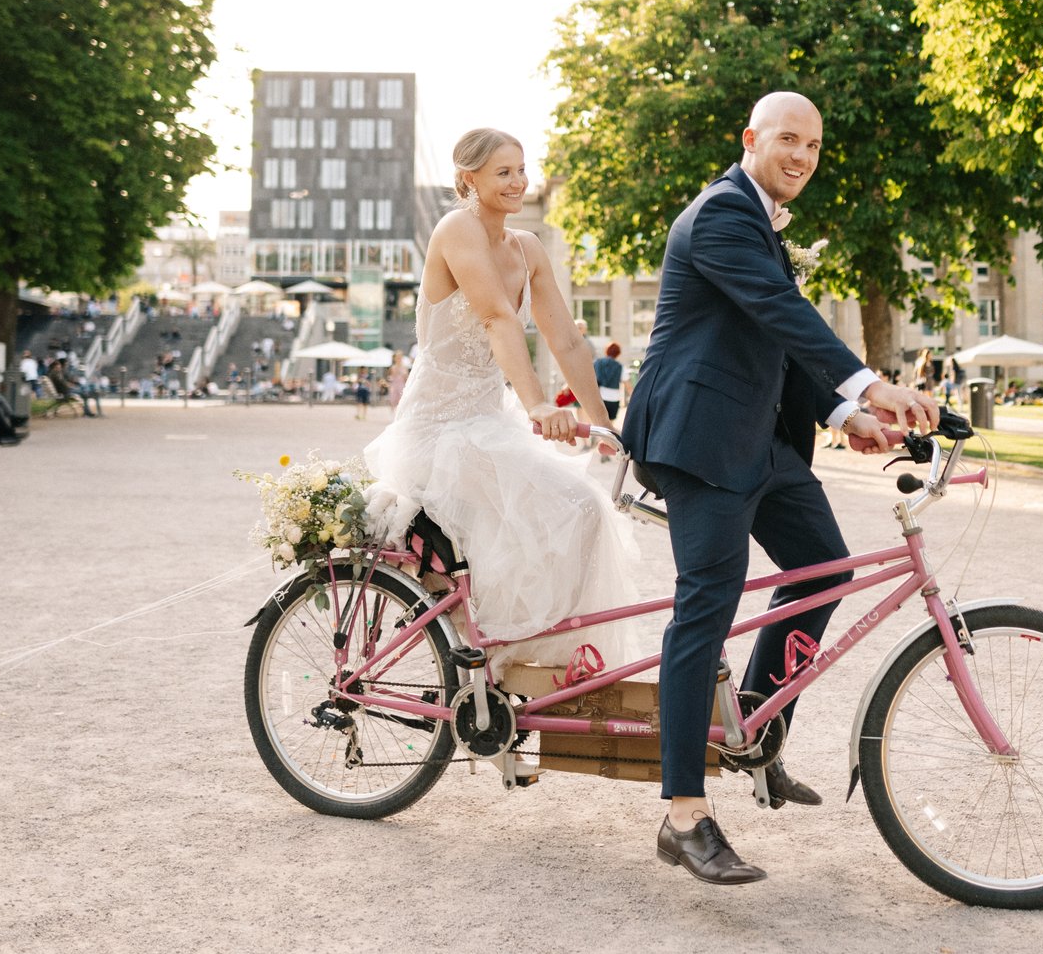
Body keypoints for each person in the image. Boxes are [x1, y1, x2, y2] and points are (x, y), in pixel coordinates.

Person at [619, 93, 941, 887]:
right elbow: (779, 307)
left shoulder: (762, 221)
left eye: (814, 145)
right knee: (707, 604)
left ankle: (755, 728)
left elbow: (771, 337)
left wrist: (841, 414)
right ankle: (684, 813)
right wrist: (867, 386)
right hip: (699, 438)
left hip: (762, 439)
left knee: (823, 570)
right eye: (788, 140)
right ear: (751, 140)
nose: (802, 155)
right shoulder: (723, 213)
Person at [359, 125, 648, 692]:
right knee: (536, 520)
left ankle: (534, 667)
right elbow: (495, 317)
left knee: (584, 512)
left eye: (522, 169)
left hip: (488, 424)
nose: (519, 182)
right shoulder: (457, 230)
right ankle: (486, 668)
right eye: (504, 172)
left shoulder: (528, 248)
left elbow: (564, 340)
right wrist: (538, 404)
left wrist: (605, 428)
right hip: (438, 430)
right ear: (469, 179)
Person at [594, 341, 625, 424]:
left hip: (600, 397)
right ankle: (606, 437)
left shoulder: (597, 363)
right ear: (618, 353)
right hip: (614, 398)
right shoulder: (619, 366)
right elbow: (627, 383)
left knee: (599, 422)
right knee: (610, 424)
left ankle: (598, 437)